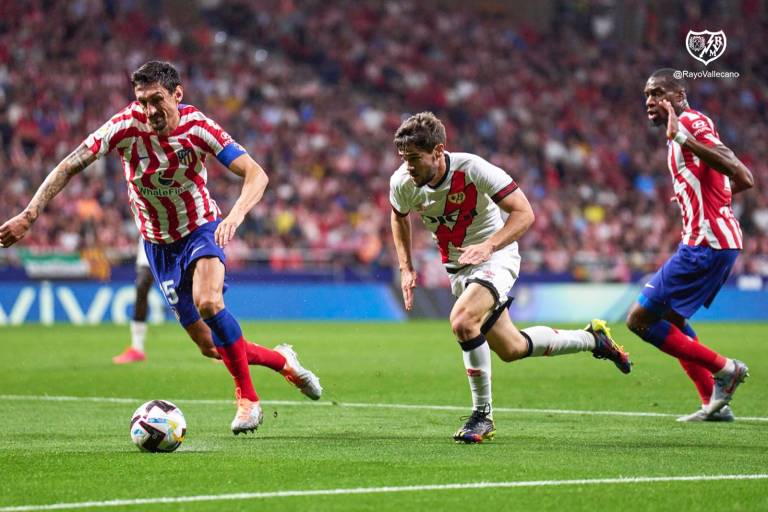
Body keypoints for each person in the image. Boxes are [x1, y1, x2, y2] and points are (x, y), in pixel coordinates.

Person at [0, 61, 322, 434]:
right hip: (158, 245)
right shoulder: (124, 126)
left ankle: (248, 400)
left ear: (177, 94)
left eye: (157, 100)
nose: (150, 111)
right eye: (142, 101)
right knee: (210, 346)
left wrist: (234, 216)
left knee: (210, 302)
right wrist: (30, 213)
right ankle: (282, 360)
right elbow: (71, 164)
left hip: (201, 229)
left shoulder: (198, 127)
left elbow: (256, 173)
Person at [389, 112, 632, 444]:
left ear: (438, 151)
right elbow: (398, 217)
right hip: (459, 268)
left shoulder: (474, 169)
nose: (409, 167)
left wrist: (488, 246)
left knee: (462, 321)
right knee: (513, 348)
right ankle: (593, 340)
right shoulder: (402, 182)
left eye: (415, 158)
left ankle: (482, 416)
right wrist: (406, 267)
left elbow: (524, 213)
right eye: (404, 159)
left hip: (496, 256)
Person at [626, 69, 754, 422]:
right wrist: (692, 195)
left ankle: (725, 370)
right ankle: (711, 403)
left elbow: (743, 174)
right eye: (646, 95)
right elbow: (732, 181)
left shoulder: (693, 122)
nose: (649, 101)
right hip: (711, 241)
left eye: (657, 92)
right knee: (671, 317)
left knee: (638, 320)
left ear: (679, 94)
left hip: (707, 243)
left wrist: (684, 138)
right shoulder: (678, 134)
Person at [112, 238, 154, 364]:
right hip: (151, 236)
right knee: (141, 285)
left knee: (191, 286)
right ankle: (137, 348)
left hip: (180, 232)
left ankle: (215, 341)